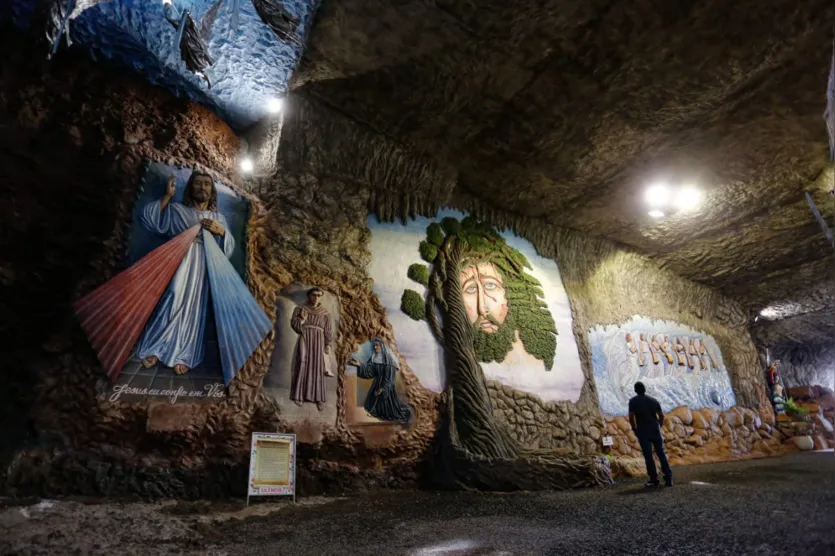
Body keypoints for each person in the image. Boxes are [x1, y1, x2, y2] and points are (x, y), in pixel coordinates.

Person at [137, 171, 233, 375]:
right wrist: (167, 197)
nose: (202, 187)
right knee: (172, 296)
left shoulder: (219, 218)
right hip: (179, 258)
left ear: (212, 191)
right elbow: (152, 222)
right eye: (198, 183)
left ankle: (184, 354)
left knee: (195, 307)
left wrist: (221, 231)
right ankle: (156, 348)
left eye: (207, 184)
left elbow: (229, 247)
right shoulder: (178, 210)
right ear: (191, 188)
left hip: (204, 264)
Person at [289, 287, 334, 410]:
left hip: (319, 339)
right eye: (314, 295)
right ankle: (299, 395)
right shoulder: (300, 309)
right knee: (302, 362)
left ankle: (318, 398)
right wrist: (302, 320)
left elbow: (328, 330)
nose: (316, 297)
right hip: (305, 337)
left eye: (319, 295)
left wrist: (328, 344)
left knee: (318, 366)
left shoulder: (325, 312)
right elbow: (295, 325)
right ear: (309, 295)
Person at [349, 339, 411, 425]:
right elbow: (370, 371)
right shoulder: (375, 357)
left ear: (382, 347)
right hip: (377, 383)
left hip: (387, 386)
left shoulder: (389, 361)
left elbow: (389, 378)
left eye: (377, 345)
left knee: (386, 409)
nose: (375, 347)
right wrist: (359, 364)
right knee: (370, 404)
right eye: (374, 345)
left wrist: (382, 388)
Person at [629, 381, 673, 487]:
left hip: (643, 431)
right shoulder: (653, 400)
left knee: (648, 456)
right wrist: (659, 426)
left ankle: (654, 480)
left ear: (635, 390)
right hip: (655, 430)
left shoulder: (633, 401)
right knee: (661, 453)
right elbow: (661, 415)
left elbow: (631, 417)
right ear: (645, 389)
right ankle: (669, 478)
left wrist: (634, 429)